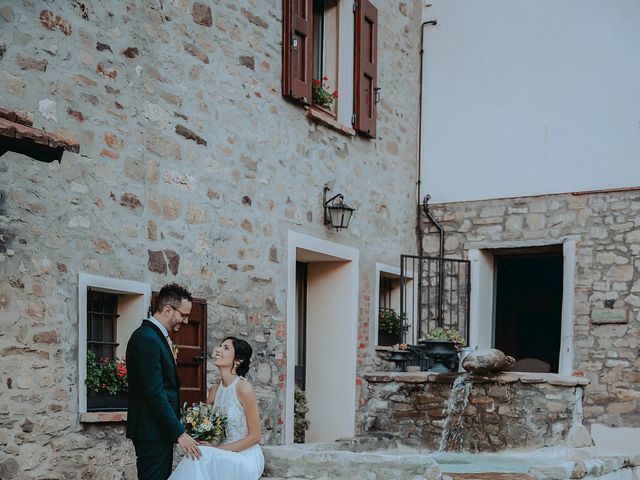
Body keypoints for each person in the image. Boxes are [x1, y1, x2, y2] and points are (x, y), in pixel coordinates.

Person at [126, 283, 202, 480]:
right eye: (184, 315)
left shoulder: (154, 336)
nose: (185, 322)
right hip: (151, 432)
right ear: (168, 309)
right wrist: (179, 432)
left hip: (157, 431)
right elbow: (154, 393)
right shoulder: (146, 339)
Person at [169, 336, 265, 480]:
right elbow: (209, 426)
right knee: (198, 453)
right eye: (220, 346)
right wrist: (208, 441)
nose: (218, 350)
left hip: (245, 457)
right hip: (221, 454)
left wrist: (217, 449)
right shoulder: (214, 390)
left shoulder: (244, 389)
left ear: (238, 360)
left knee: (202, 455)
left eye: (226, 348)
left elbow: (255, 436)